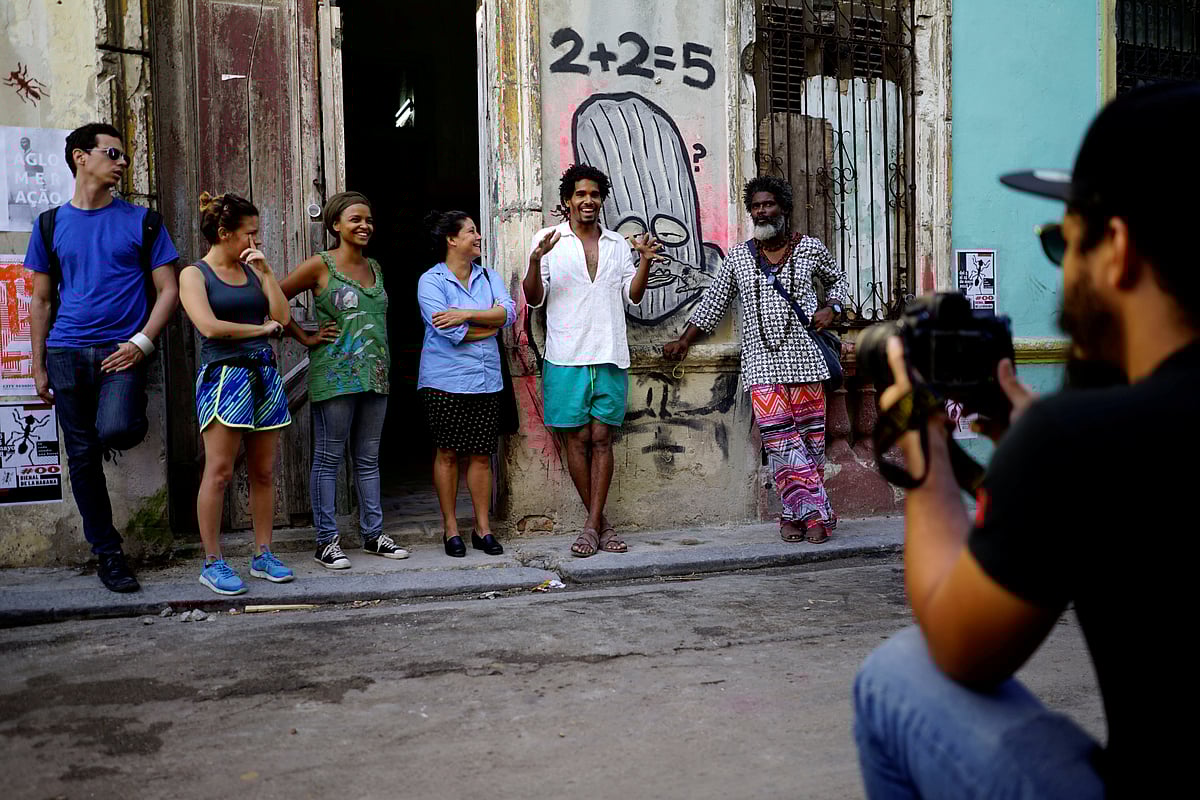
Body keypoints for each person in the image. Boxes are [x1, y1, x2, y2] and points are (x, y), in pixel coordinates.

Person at [852, 82, 1200, 798]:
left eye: (1060, 241)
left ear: (1119, 249)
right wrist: (1023, 457)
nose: (1062, 267)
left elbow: (960, 644)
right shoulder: (1081, 442)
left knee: (896, 675)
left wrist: (921, 440)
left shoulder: (1084, 443)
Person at [25, 123, 180, 593]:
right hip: (66, 352)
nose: (123, 162)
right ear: (80, 157)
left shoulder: (142, 221)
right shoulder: (50, 223)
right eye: (113, 153)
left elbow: (168, 289)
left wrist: (142, 343)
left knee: (115, 429)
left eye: (124, 155)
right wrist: (37, 363)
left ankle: (110, 430)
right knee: (82, 458)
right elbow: (41, 301)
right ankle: (108, 555)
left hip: (122, 352)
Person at [663, 176, 848, 544]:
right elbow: (714, 303)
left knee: (809, 444)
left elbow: (840, 281)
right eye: (756, 206)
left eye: (768, 204)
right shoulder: (740, 258)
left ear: (784, 208)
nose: (761, 211)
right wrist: (684, 340)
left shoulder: (810, 248)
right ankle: (818, 515)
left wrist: (833, 308)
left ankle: (792, 515)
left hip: (808, 361)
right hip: (762, 365)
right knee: (780, 442)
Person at [522, 164, 661, 558]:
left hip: (610, 354)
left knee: (602, 439)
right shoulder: (549, 241)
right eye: (580, 194)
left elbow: (631, 296)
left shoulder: (618, 245)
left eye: (595, 195)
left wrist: (646, 261)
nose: (588, 201)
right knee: (577, 440)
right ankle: (602, 525)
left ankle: (590, 527)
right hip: (565, 356)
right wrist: (534, 261)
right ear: (567, 201)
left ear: (601, 201)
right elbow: (534, 299)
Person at [281, 191, 408, 569]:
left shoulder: (376, 268)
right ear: (336, 225)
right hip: (335, 374)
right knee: (329, 457)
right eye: (355, 219)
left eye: (368, 219)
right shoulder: (319, 266)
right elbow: (274, 296)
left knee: (368, 459)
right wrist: (302, 334)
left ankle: (373, 535)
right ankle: (326, 542)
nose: (364, 225)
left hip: (376, 373)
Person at [178, 192, 294, 596]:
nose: (255, 242)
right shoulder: (194, 275)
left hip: (263, 375)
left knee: (264, 471)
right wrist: (261, 331)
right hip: (224, 378)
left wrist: (265, 274)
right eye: (250, 234)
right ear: (225, 234)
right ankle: (212, 562)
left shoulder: (252, 270)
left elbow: (283, 318)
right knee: (220, 471)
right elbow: (209, 327)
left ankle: (264, 554)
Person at [417, 210, 516, 558]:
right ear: (451, 239)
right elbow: (449, 330)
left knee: (480, 456)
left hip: (486, 380)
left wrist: (466, 313)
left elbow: (509, 313)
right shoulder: (431, 281)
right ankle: (450, 529)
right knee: (447, 454)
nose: (478, 236)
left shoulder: (489, 276)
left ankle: (482, 528)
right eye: (472, 231)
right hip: (444, 380)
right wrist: (485, 325)